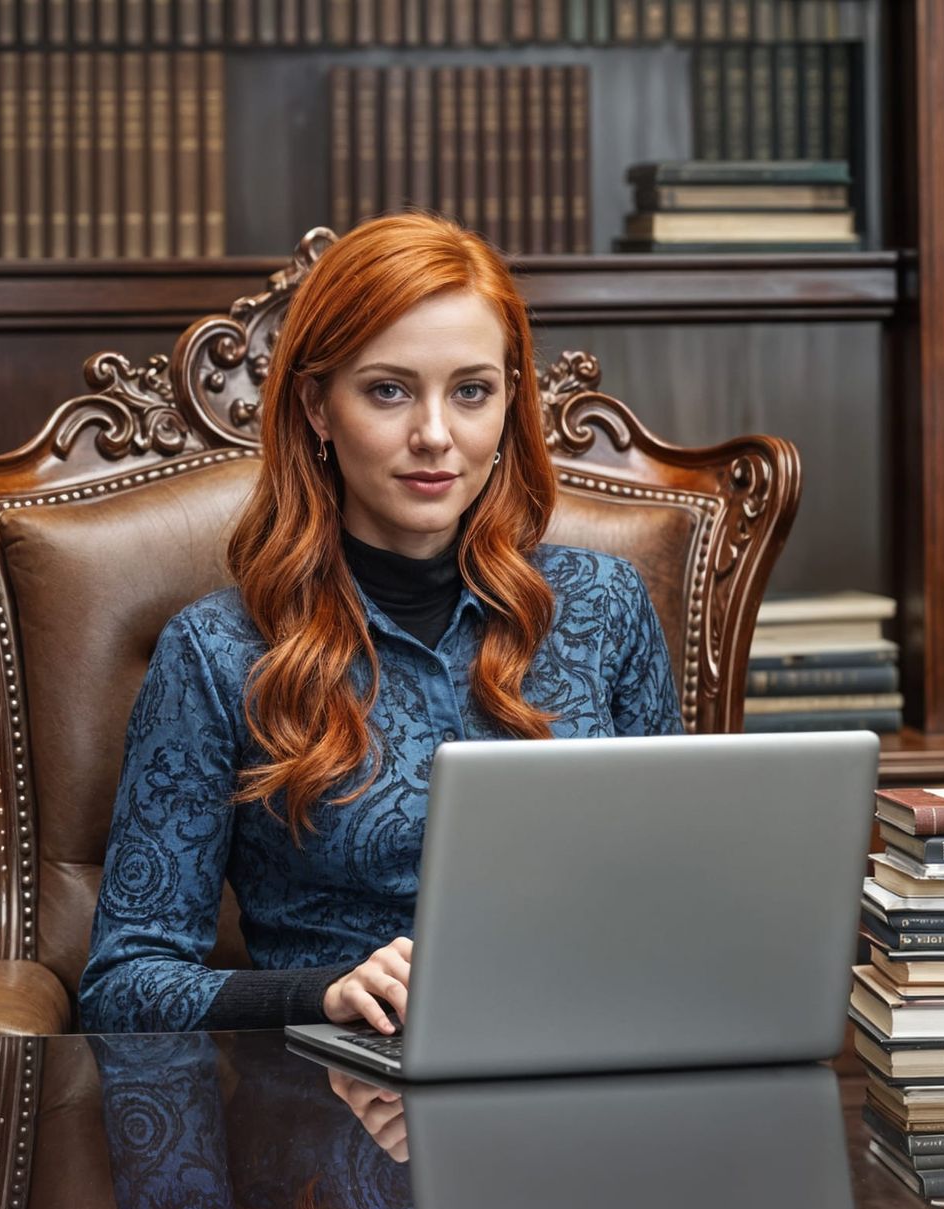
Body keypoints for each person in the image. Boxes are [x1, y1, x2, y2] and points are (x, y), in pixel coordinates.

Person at [78, 211, 682, 1037]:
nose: (434, 436)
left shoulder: (606, 605)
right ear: (318, 408)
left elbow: (678, 893)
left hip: (588, 1064)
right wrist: (324, 995)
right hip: (342, 1089)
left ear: (510, 402)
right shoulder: (218, 653)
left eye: (471, 391)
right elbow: (123, 982)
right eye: (388, 391)